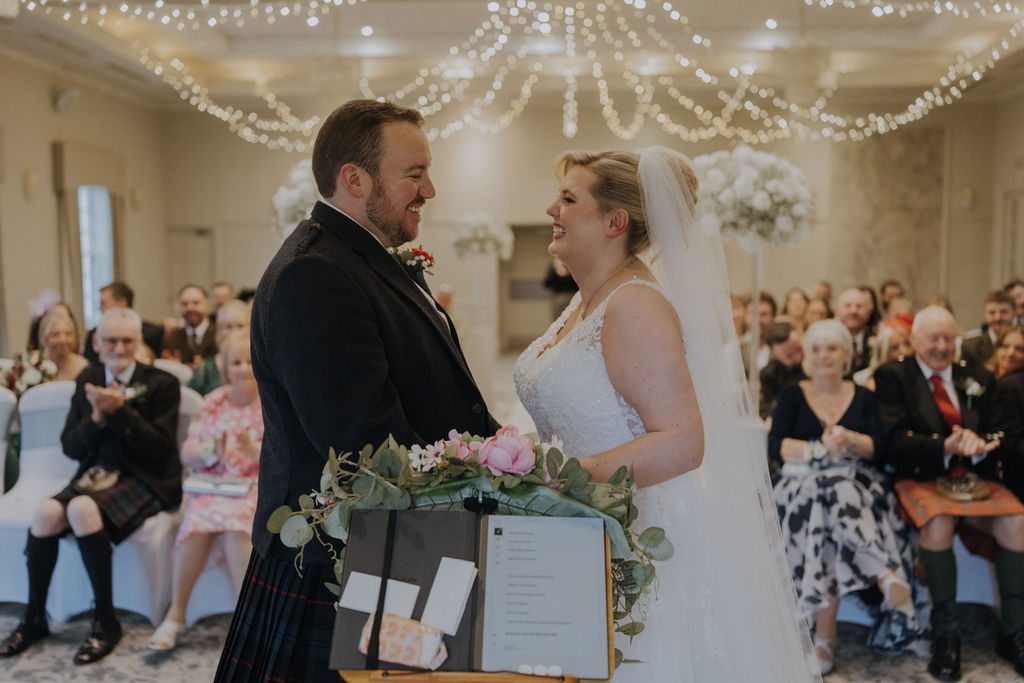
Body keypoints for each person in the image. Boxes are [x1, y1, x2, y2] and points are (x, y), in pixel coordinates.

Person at [215, 99, 499, 682]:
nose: (430, 189)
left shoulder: (357, 257)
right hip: (336, 558)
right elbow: (366, 446)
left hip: (386, 537)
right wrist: (487, 481)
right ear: (354, 179)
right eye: (415, 174)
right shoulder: (314, 274)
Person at [515, 148, 819, 681]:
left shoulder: (634, 304)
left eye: (567, 199)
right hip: (584, 521)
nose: (550, 209)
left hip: (638, 533)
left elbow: (681, 442)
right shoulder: (589, 298)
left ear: (615, 222)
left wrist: (560, 476)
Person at [0, 307, 181, 665]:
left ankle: (106, 622)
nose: (119, 348)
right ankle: (34, 618)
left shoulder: (163, 383)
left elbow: (161, 450)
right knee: (46, 512)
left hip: (146, 479)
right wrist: (97, 416)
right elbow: (70, 446)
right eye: (111, 341)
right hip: (97, 475)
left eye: (127, 341)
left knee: (81, 509)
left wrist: (120, 412)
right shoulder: (88, 378)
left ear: (138, 342)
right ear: (97, 343)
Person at [875, 306, 1024, 680]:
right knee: (939, 520)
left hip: (975, 480)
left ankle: (1014, 633)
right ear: (914, 340)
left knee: (1017, 520)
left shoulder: (979, 376)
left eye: (948, 338)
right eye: (933, 339)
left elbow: (1001, 431)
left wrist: (981, 444)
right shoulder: (893, 376)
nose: (942, 346)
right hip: (922, 478)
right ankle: (947, 635)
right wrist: (945, 446)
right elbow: (892, 441)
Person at [768, 320, 925, 674]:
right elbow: (776, 446)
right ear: (807, 356)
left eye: (832, 348)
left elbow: (878, 448)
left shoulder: (864, 396)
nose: (824, 355)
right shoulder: (793, 394)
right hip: (801, 487)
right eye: (816, 349)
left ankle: (825, 639)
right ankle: (882, 573)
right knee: (824, 498)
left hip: (856, 486)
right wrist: (818, 450)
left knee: (833, 499)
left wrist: (850, 440)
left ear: (847, 355)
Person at [148, 332, 261, 651]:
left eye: (250, 361)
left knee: (236, 530)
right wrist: (211, 452)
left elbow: (284, 457)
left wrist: (254, 452)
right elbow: (188, 453)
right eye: (236, 363)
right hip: (213, 486)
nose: (243, 369)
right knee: (196, 525)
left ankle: (248, 623)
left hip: (253, 487)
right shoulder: (213, 402)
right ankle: (176, 615)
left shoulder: (270, 401)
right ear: (225, 368)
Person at [83, 281, 164, 362]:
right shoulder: (95, 334)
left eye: (103, 303)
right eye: (111, 340)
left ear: (122, 303)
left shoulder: (153, 335)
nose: (119, 350)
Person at [188, 300, 251, 395]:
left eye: (240, 326)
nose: (234, 332)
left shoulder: (260, 363)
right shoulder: (205, 368)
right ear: (220, 330)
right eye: (228, 327)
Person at [759, 321, 806, 420]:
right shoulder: (769, 375)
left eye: (799, 349)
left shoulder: (818, 364)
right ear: (775, 355)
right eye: (789, 356)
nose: (798, 357)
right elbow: (767, 407)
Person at [162, 284, 217, 367]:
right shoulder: (171, 338)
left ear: (207, 305)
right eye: (185, 304)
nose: (190, 308)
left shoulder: (219, 334)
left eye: (196, 303)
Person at [962, 290, 1015, 368]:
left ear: (1013, 313)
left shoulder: (1022, 343)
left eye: (1003, 312)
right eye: (992, 312)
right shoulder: (970, 347)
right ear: (985, 314)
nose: (997, 318)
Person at [853, 323, 913, 391]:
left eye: (907, 344)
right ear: (881, 353)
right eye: (894, 348)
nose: (904, 351)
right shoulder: (863, 380)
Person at [39, 310, 88, 380]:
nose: (63, 340)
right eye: (56, 334)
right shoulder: (36, 366)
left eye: (68, 334)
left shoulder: (85, 368)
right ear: (44, 338)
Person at [836, 287, 874, 375]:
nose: (853, 311)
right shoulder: (828, 340)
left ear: (868, 313)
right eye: (848, 306)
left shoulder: (877, 338)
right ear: (837, 311)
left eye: (859, 306)